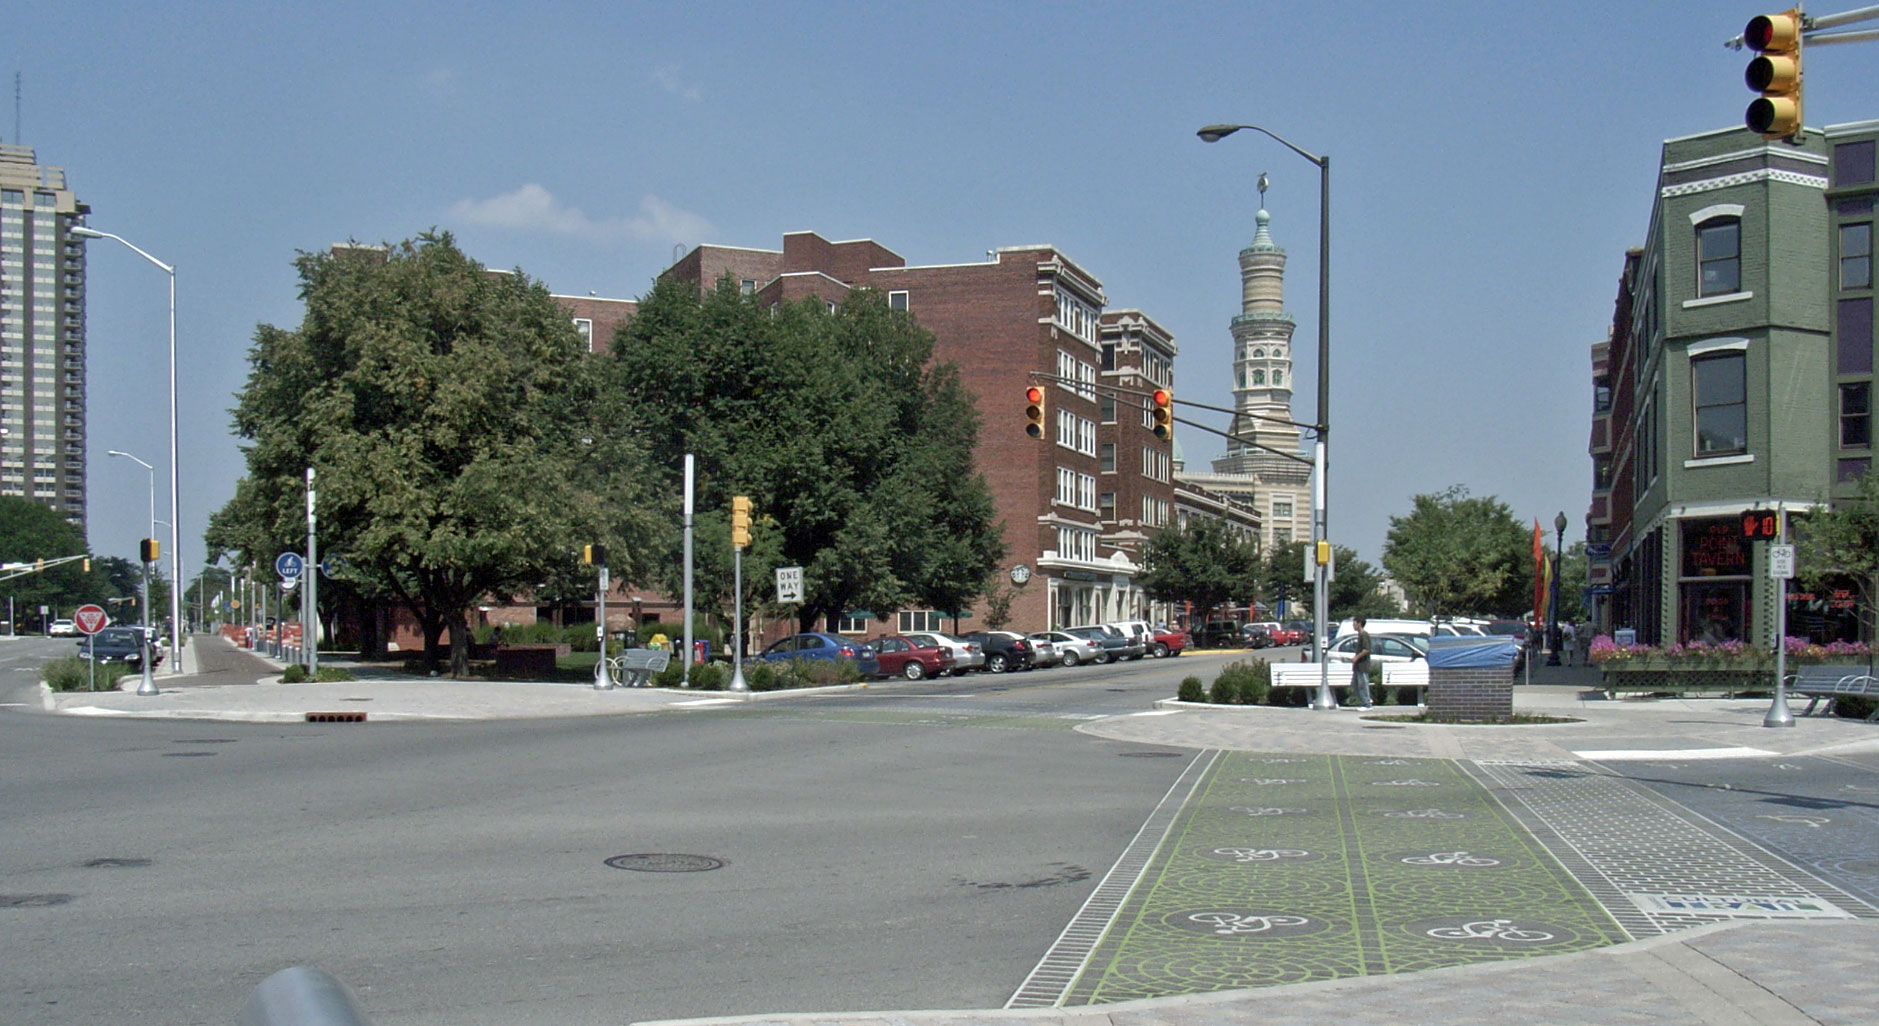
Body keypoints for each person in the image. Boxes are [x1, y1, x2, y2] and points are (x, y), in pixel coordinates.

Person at [1348, 616, 1374, 709]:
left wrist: (1356, 658)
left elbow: (1366, 649)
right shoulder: (1360, 635)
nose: (1353, 625)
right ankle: (1365, 701)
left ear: (1359, 623)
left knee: (1362, 684)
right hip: (1358, 666)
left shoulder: (1364, 635)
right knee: (1354, 685)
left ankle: (1367, 704)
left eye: (1354, 623)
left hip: (1363, 665)